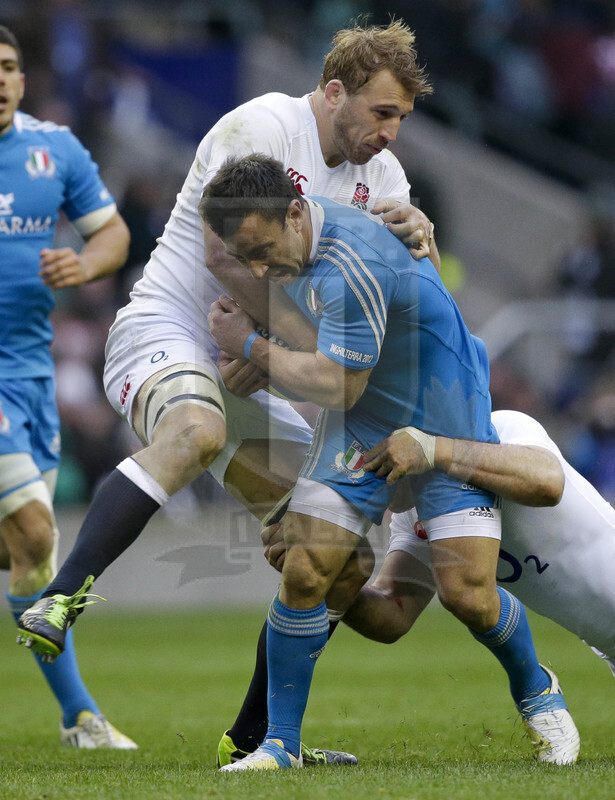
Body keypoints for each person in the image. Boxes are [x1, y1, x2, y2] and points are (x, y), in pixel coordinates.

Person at [17, 20, 435, 765]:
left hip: (248, 355)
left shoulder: (383, 180)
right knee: (197, 430)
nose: (390, 133)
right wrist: (271, 348)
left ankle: (255, 741)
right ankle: (60, 598)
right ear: (333, 92)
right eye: (380, 113)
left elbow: (393, 296)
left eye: (400, 117)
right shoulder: (262, 126)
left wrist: (421, 243)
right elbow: (225, 252)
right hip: (167, 330)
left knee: (338, 551)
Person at [200, 153, 577, 770]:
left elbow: (335, 385)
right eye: (247, 258)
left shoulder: (353, 262)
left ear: (295, 213)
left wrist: (248, 345)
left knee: (469, 597)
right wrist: (267, 350)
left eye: (263, 251)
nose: (259, 270)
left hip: (443, 407)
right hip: (369, 414)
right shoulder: (296, 241)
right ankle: (279, 745)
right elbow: (337, 362)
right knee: (306, 568)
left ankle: (538, 689)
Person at [0, 26, 135, 747]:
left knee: (25, 555)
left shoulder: (55, 151)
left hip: (29, 374)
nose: (0, 80)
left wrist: (83, 265)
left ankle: (75, 717)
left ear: (24, 80)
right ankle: (82, 713)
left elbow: (112, 234)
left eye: (9, 68)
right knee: (33, 526)